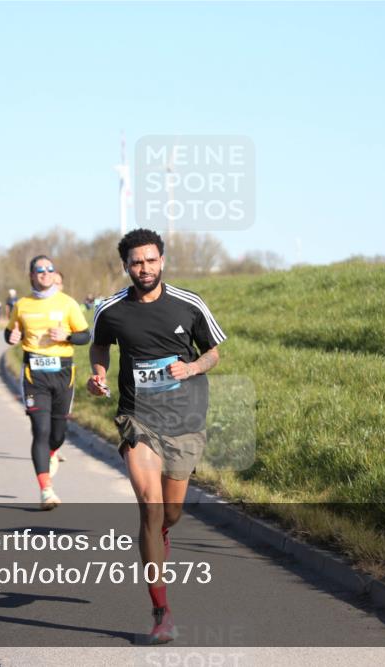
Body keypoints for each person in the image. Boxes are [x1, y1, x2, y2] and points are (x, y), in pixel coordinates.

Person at [87, 228, 225, 645]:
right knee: (150, 506)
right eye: (136, 262)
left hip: (184, 420)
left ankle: (160, 531)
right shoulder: (110, 310)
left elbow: (214, 352)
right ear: (126, 266)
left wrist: (192, 368)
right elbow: (99, 347)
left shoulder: (189, 303)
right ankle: (161, 611)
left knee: (171, 514)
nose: (144, 268)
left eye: (150, 260)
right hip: (138, 418)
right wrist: (97, 375)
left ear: (162, 260)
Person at [5, 255, 90, 510]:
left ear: (54, 274)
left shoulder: (67, 303)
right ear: (32, 275)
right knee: (40, 430)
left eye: (49, 269)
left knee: (57, 434)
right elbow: (10, 331)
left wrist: (67, 336)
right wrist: (11, 336)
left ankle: (52, 452)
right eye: (39, 270)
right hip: (35, 374)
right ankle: (46, 489)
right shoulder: (22, 305)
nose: (45, 273)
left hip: (63, 372)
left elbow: (85, 335)